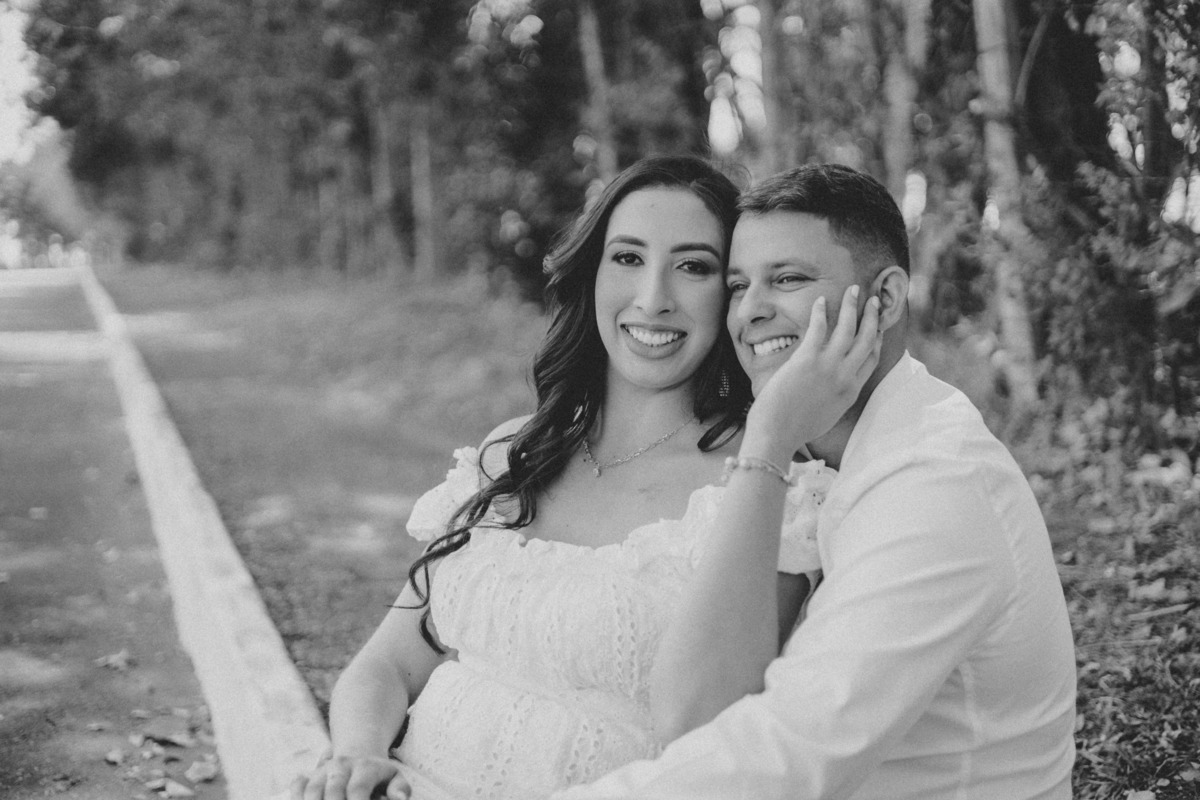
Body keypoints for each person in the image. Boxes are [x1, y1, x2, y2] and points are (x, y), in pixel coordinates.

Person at [290, 156, 876, 800]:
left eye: (693, 267)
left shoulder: (769, 489)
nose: (653, 298)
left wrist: (769, 437)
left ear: (731, 293)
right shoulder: (514, 452)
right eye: (627, 258)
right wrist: (358, 758)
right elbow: (388, 664)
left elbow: (709, 732)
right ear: (593, 273)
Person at [555, 163, 1078, 800]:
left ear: (886, 299)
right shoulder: (833, 454)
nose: (750, 312)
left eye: (789, 279)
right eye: (739, 285)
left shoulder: (936, 483)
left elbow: (786, 757)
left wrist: (768, 435)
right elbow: (698, 711)